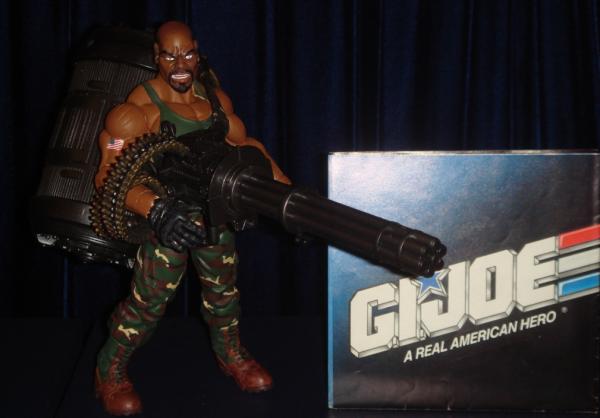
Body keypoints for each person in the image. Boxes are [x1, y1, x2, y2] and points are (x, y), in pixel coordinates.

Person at [93, 21, 290, 416]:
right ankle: (108, 370)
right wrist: (156, 209)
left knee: (224, 294)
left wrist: (287, 196)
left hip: (216, 213)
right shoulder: (135, 112)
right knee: (148, 303)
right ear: (157, 57)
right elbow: (107, 177)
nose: (180, 65)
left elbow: (248, 146)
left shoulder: (215, 102)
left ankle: (230, 355)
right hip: (167, 220)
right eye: (170, 56)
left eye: (187, 54)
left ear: (198, 53)